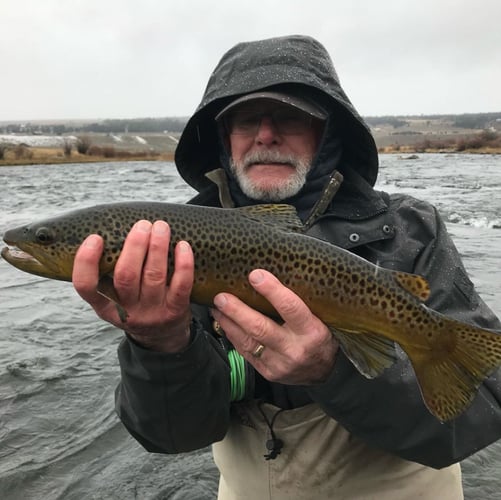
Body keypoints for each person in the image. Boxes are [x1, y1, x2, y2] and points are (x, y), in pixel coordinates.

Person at [72, 35, 501, 499]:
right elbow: (174, 436)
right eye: (244, 121)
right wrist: (158, 344)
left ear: (328, 132)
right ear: (223, 139)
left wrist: (332, 370)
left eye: (291, 117)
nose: (265, 134)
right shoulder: (176, 246)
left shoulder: (410, 230)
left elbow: (475, 422)